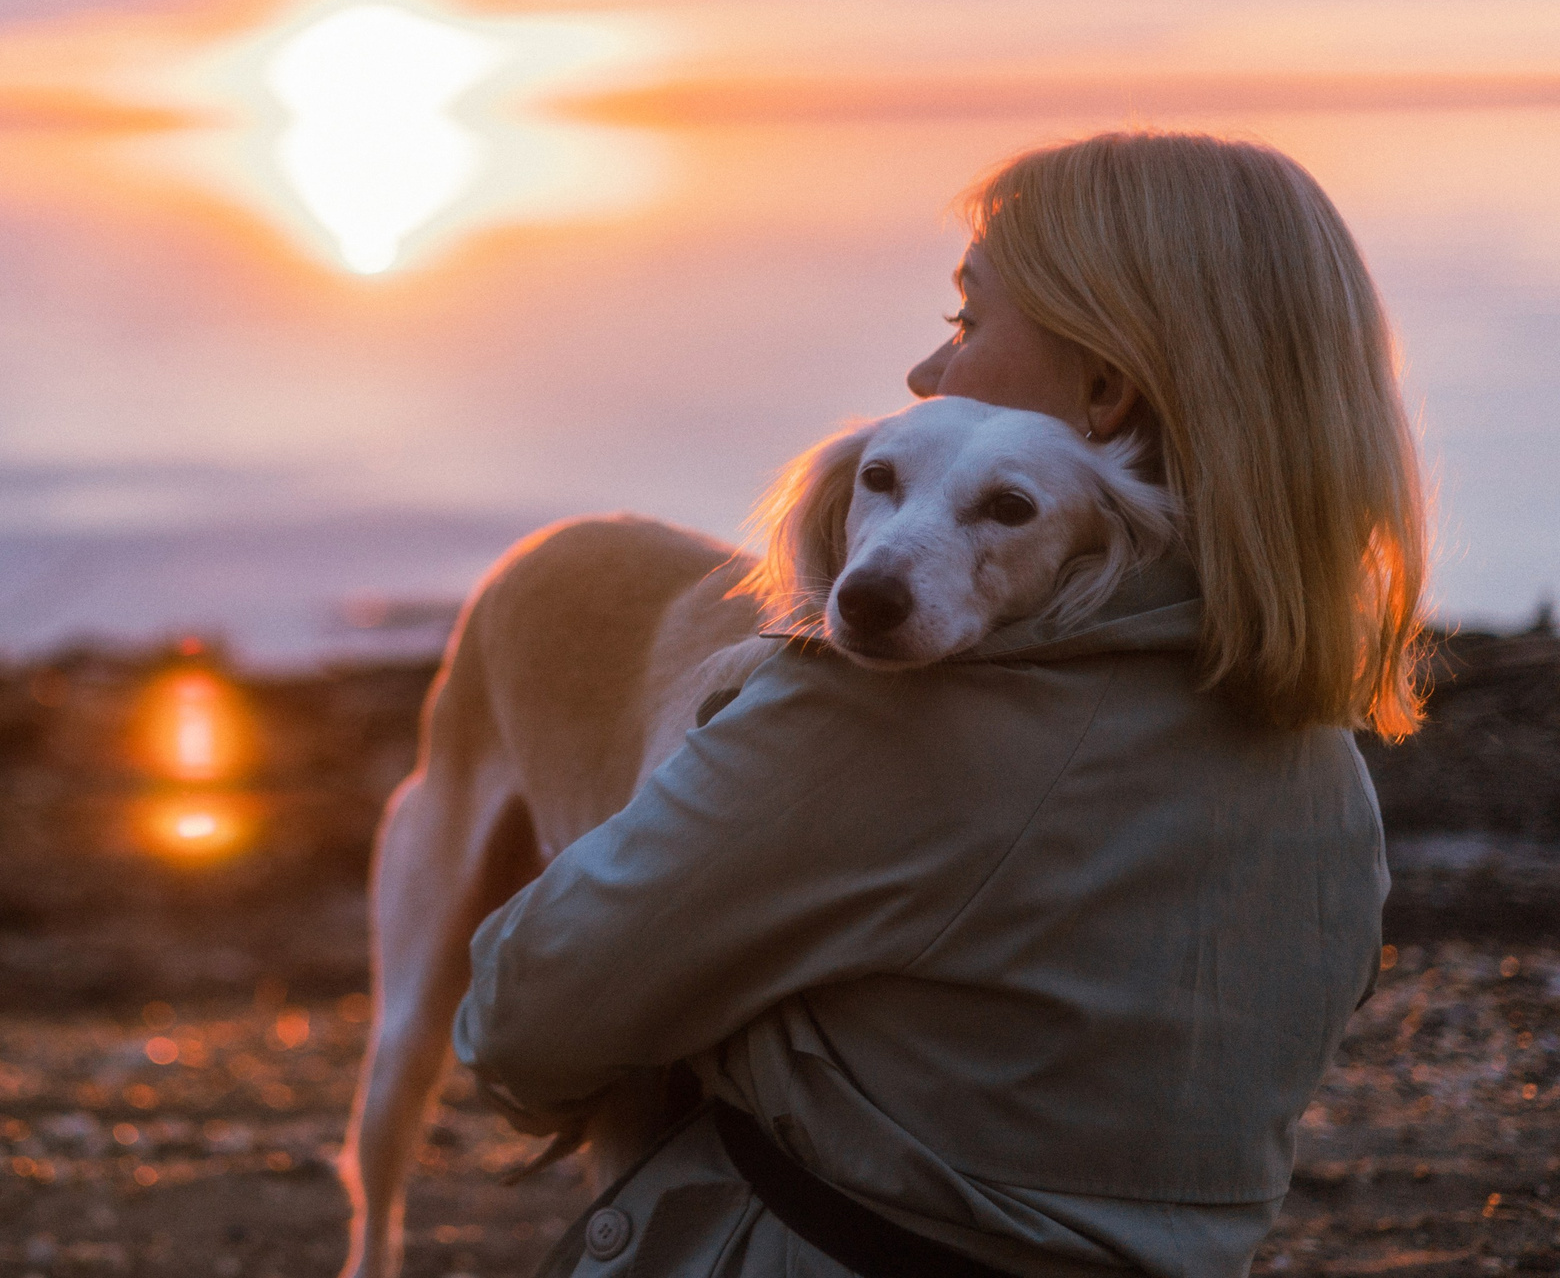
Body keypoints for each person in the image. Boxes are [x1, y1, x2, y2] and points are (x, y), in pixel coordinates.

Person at [453, 130, 1425, 1278]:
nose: (926, 374)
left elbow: (522, 1018)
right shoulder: (1321, 765)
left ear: (1104, 391)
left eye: (966, 323)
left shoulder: (889, 716)